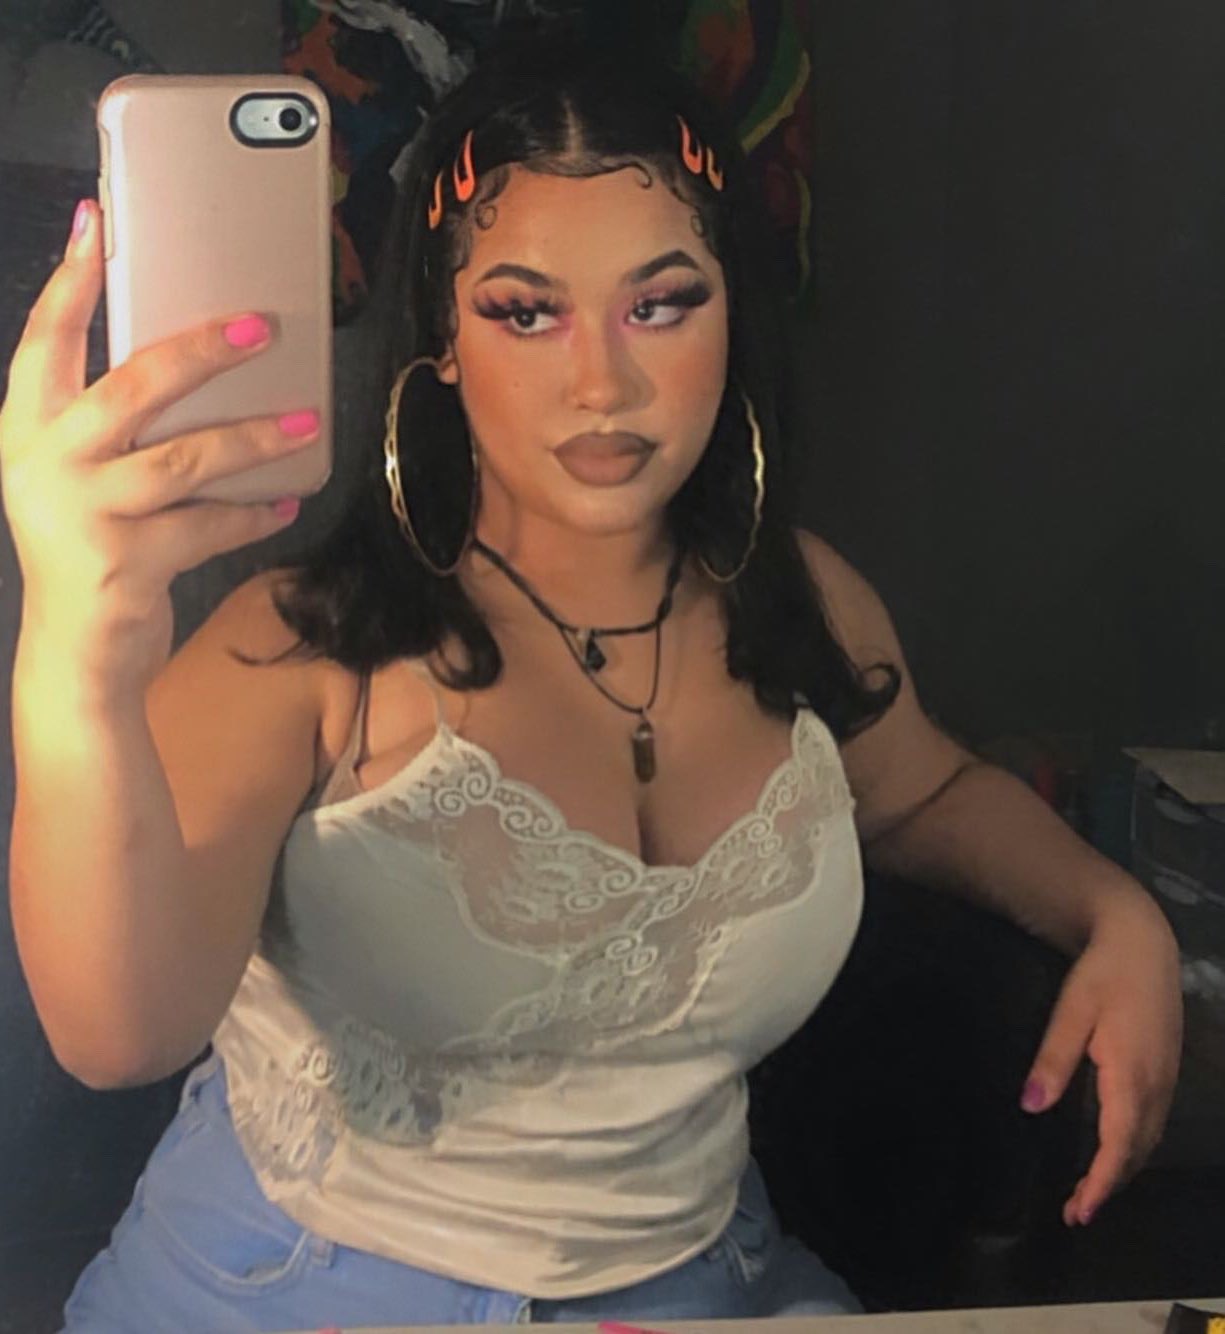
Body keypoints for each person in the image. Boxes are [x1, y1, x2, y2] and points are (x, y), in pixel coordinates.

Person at [2, 29, 1182, 1334]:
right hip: (302, 1295)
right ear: (444, 337)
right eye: (525, 310)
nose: (602, 380)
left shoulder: (802, 600)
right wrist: (79, 648)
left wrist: (1113, 910)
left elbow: (924, 792)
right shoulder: (302, 651)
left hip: (712, 1286)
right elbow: (115, 1031)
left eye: (660, 303)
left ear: (730, 311)